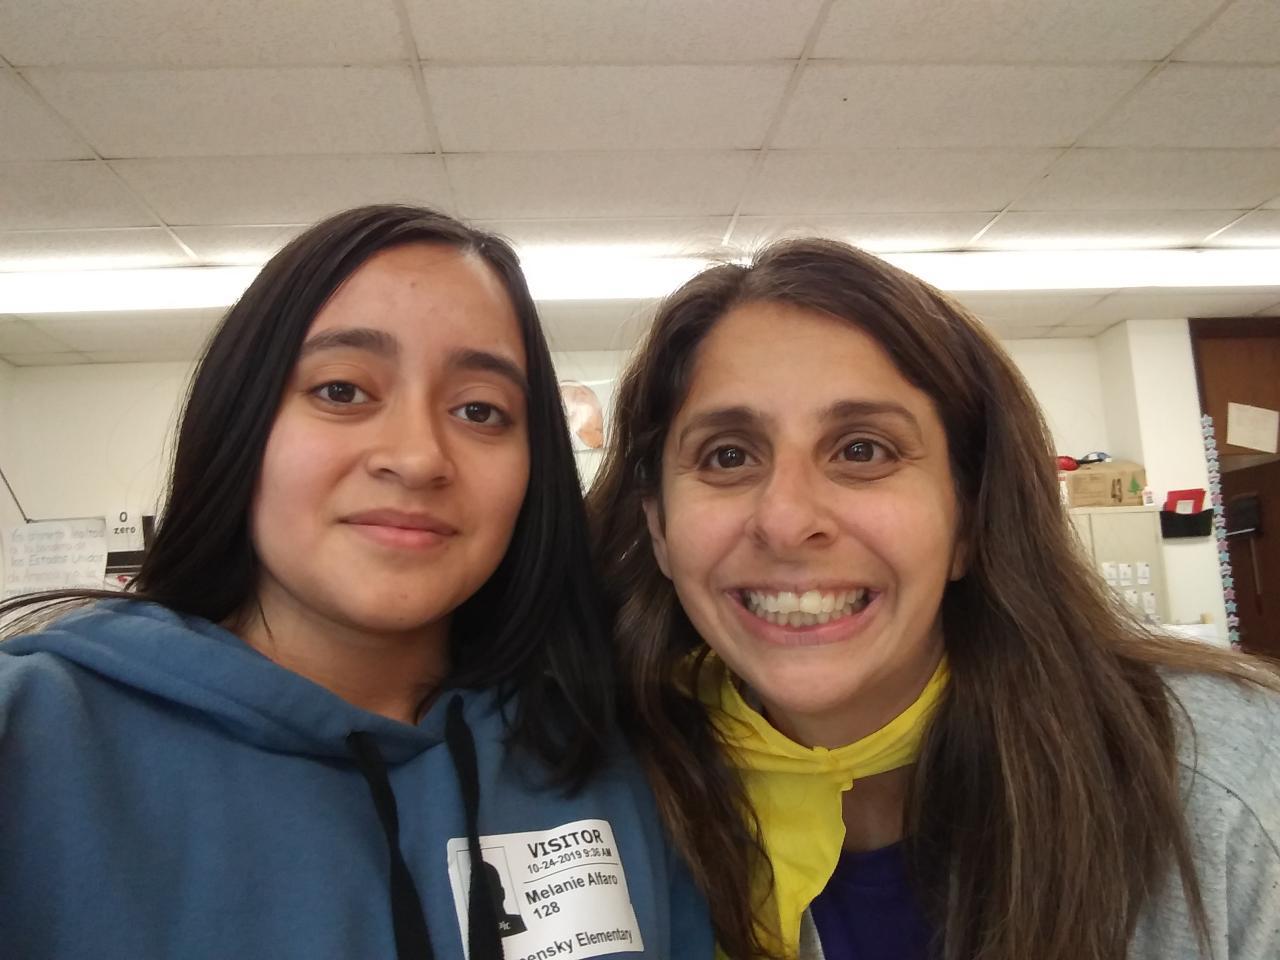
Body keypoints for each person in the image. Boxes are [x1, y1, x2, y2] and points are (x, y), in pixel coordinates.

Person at [0, 205, 712, 960]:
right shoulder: (35, 740)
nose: (417, 457)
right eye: (342, 391)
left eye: (480, 410)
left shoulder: (610, 750)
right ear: (240, 421)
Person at [588, 238, 1280, 960]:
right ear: (659, 529)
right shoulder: (598, 797)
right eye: (727, 456)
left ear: (971, 517)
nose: (786, 520)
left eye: (862, 450)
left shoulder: (1227, 785)